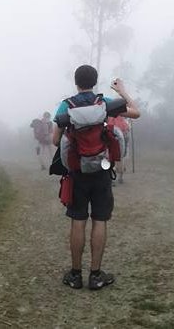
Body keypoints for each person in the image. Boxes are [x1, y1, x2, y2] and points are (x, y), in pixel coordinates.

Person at [52, 64, 139, 291]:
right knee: (99, 220)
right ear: (95, 81)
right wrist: (122, 90)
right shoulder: (104, 103)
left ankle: (75, 275)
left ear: (76, 82)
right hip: (101, 170)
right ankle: (96, 276)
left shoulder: (66, 105)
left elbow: (54, 140)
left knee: (78, 221)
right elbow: (135, 113)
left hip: (76, 172)